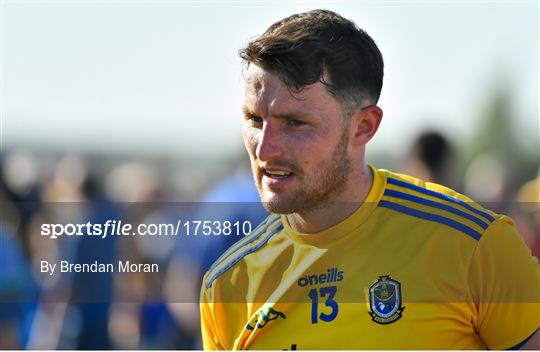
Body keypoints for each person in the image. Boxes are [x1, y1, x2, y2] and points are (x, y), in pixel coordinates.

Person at [199, 9, 539, 350]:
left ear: (363, 127)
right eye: (255, 120)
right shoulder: (228, 284)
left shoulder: (471, 244)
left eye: (295, 123)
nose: (266, 148)